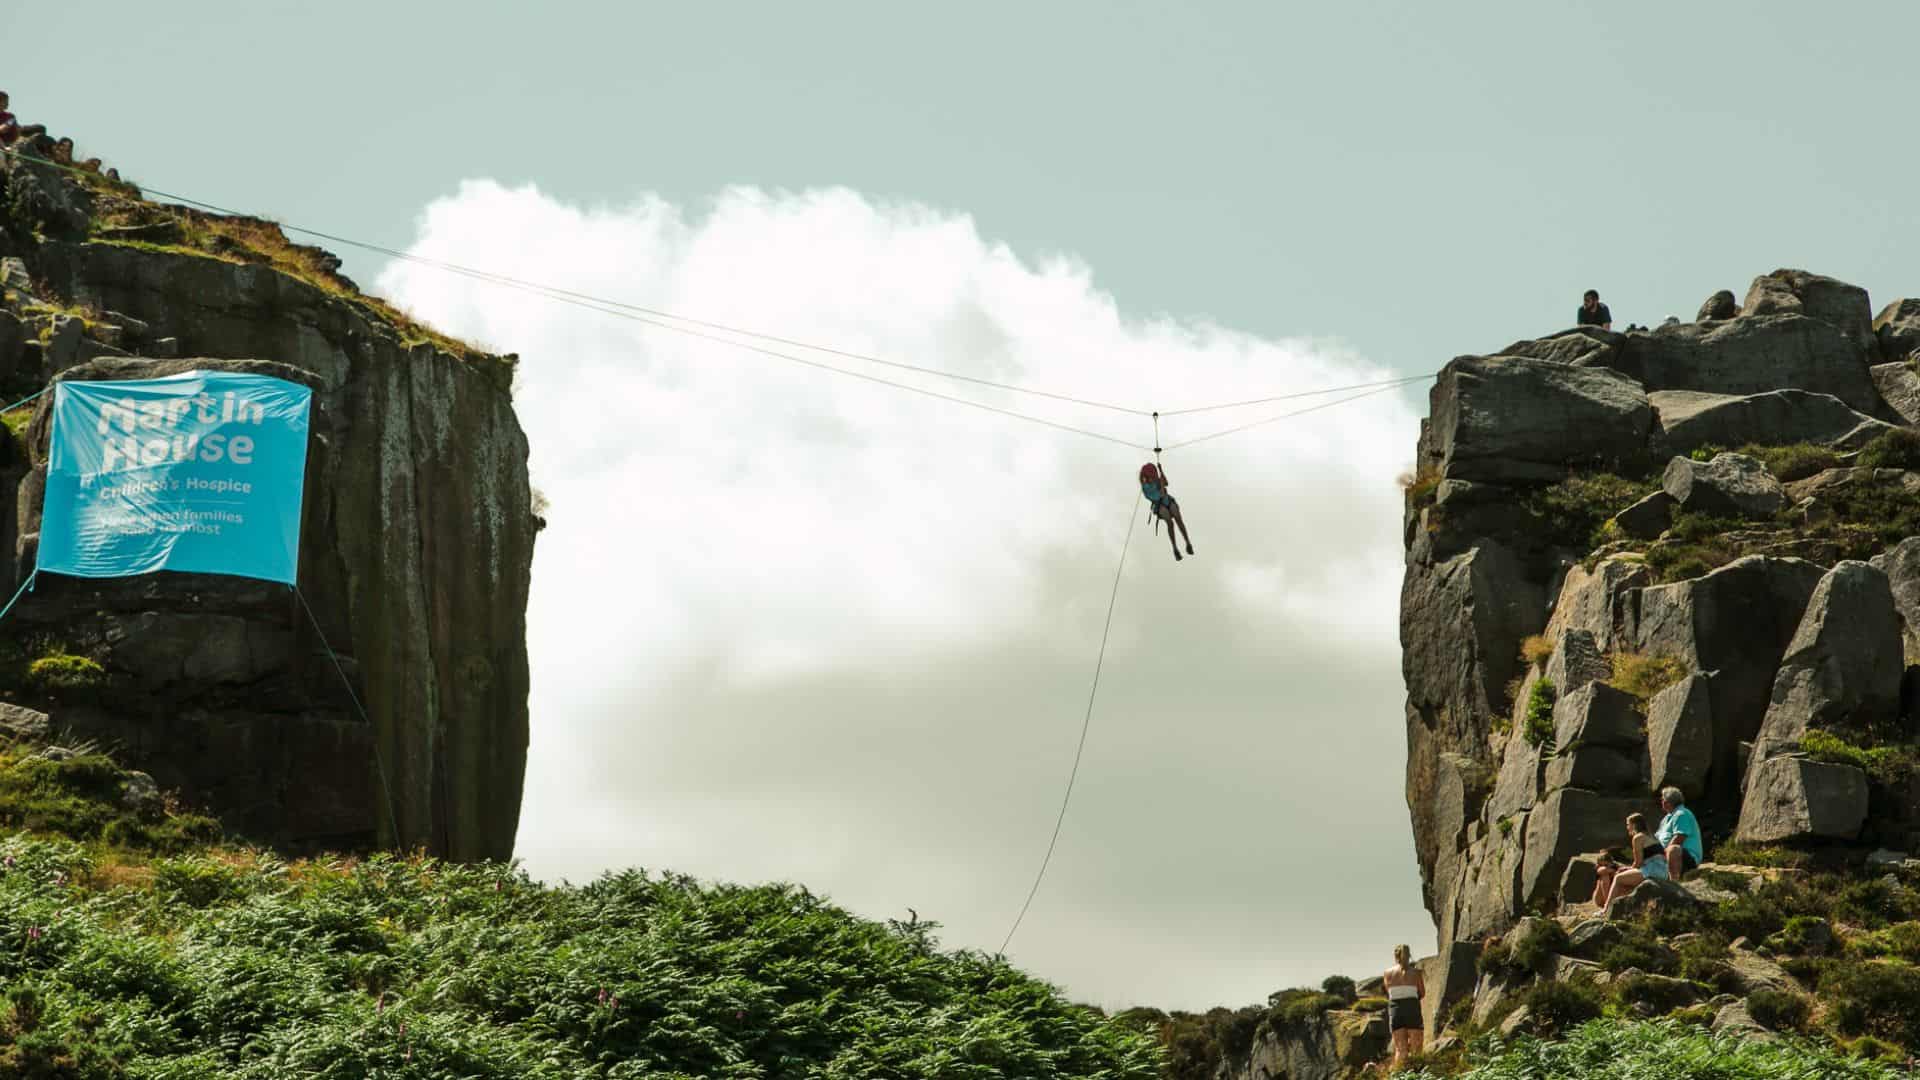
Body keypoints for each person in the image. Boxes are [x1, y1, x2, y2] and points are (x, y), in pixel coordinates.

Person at [1596, 813, 1668, 915]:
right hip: (1662, 870)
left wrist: (1628, 869)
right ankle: (1619, 909)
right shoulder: (1652, 836)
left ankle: (1606, 910)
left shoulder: (1638, 837)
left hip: (1652, 869)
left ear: (1634, 825)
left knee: (1618, 878)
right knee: (1624, 881)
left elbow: (1638, 862)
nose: (1627, 827)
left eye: (1628, 824)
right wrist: (1628, 868)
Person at [1138, 462, 1195, 562]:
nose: (1152, 477)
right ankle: (1175, 548)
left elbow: (1166, 483)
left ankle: (1188, 543)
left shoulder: (1156, 480)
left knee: (1178, 519)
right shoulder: (1146, 487)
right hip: (1160, 505)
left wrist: (1161, 470)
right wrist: (1160, 487)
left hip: (1167, 500)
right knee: (1170, 523)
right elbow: (1157, 495)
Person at [1383, 944, 1424, 1067]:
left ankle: (1400, 1075)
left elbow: (1388, 992)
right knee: (1417, 1047)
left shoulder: (1387, 973)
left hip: (1396, 1010)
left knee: (1400, 1049)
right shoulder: (1416, 973)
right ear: (1409, 954)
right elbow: (1422, 993)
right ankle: (1418, 1075)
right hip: (1412, 1008)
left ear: (1395, 956)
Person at [1657, 786, 1703, 883]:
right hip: (1665, 857)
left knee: (1673, 848)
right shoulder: (1666, 818)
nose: (1661, 801)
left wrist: (1662, 855)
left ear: (1667, 801)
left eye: (1662, 799)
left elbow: (1679, 838)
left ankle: (1674, 884)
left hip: (1685, 857)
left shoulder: (1682, 814)